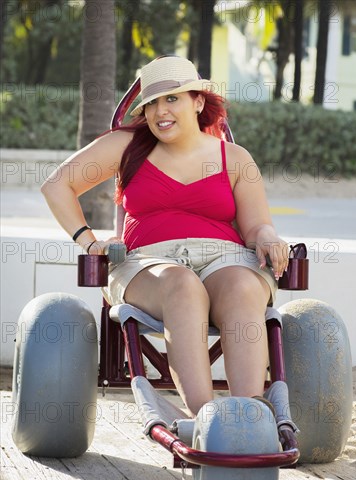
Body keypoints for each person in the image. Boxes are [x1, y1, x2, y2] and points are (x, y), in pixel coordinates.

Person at [41, 56, 289, 417]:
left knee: (243, 288)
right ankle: (207, 420)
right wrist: (88, 241)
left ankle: (250, 420)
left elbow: (256, 227)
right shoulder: (127, 145)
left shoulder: (234, 158)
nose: (160, 111)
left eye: (172, 98)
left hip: (225, 258)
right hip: (147, 264)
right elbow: (56, 185)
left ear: (198, 102)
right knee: (182, 284)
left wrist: (268, 236)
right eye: (152, 103)